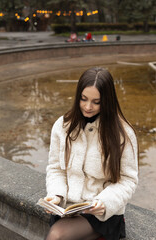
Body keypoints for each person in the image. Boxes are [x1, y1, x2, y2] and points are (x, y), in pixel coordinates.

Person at [44, 67, 139, 240]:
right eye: (83, 99)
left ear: (107, 101)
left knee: (57, 236)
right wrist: (55, 196)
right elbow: (56, 169)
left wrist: (104, 203)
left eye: (96, 102)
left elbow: (128, 180)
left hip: (101, 214)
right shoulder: (62, 125)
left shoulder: (124, 134)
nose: (88, 107)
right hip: (67, 209)